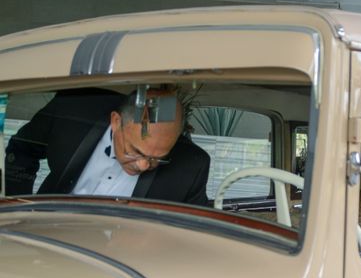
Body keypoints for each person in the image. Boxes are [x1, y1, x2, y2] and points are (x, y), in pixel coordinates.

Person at [5, 87, 210, 206]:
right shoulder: (72, 110)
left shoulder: (191, 167)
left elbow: (191, 233)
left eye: (158, 157)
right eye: (135, 151)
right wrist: (19, 206)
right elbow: (22, 150)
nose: (143, 165)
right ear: (115, 122)